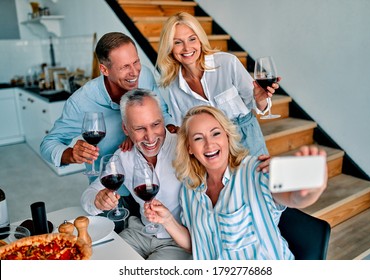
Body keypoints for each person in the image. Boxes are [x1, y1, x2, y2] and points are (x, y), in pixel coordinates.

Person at [145, 105, 328, 260]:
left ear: (227, 136)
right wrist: (167, 220)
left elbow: (294, 198)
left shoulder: (254, 171)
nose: (209, 144)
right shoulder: (189, 189)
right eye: (198, 138)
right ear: (190, 148)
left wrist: (311, 189)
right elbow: (197, 245)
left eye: (215, 134)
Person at [40, 32, 175, 187]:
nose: (135, 72)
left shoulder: (145, 75)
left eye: (136, 62)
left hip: (150, 178)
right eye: (125, 66)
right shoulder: (81, 102)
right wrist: (71, 154)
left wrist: (168, 130)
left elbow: (162, 112)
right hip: (111, 187)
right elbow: (48, 144)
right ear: (104, 70)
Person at [80, 88, 192, 260]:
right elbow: (89, 195)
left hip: (177, 241)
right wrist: (98, 201)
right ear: (126, 129)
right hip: (139, 233)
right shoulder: (124, 155)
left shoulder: (185, 148)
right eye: (139, 128)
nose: (150, 137)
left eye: (155, 124)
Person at [156, 12, 280, 156]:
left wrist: (260, 99)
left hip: (245, 138)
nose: (186, 48)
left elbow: (258, 105)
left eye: (192, 39)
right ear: (170, 47)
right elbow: (184, 127)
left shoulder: (227, 63)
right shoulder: (174, 86)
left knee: (258, 178)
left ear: (200, 40)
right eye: (178, 42)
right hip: (210, 149)